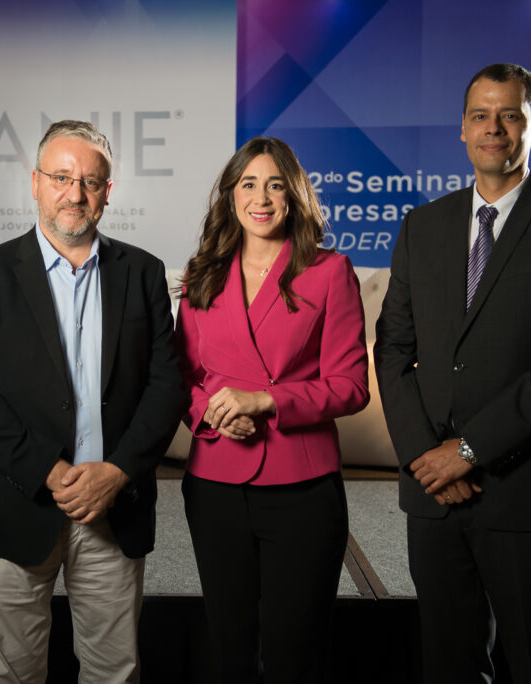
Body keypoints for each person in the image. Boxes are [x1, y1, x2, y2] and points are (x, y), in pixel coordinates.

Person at [375, 63, 531, 683]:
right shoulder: (422, 226)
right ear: (462, 130)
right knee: (449, 665)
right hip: (436, 495)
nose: (494, 129)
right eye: (481, 116)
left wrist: (470, 450)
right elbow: (393, 349)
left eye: (510, 115)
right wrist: (428, 458)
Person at [0, 120, 187, 683]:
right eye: (61, 177)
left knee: (113, 672)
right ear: (34, 183)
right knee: (10, 675)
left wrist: (119, 471)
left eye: (91, 181)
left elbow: (165, 385)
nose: (75, 194)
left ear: (108, 191)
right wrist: (48, 472)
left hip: (113, 508)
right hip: (14, 504)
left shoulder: (144, 272)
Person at [175, 136, 370, 682]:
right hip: (215, 484)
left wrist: (266, 401)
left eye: (275, 184)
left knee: (295, 652)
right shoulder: (202, 273)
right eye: (248, 184)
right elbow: (184, 375)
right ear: (230, 195)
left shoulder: (329, 271)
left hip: (302, 489)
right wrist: (212, 414)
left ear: (295, 195)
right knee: (230, 648)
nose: (261, 198)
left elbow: (352, 384)